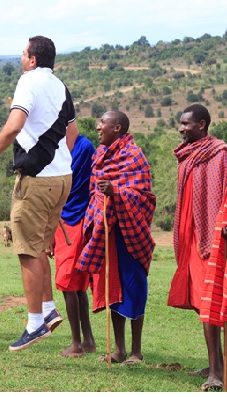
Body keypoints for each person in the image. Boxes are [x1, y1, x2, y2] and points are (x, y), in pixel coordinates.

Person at [0, 35, 79, 351]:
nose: (21, 59)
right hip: (63, 177)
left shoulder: (28, 82)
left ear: (33, 59)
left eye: (23, 54)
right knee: (40, 246)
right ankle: (47, 309)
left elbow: (13, 126)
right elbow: (72, 133)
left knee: (27, 250)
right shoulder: (60, 86)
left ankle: (34, 323)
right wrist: (57, 160)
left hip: (36, 181)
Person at [76, 110, 155, 365]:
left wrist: (116, 191)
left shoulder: (134, 156)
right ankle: (119, 350)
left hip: (130, 233)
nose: (98, 127)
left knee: (134, 288)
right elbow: (93, 192)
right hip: (106, 231)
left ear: (117, 127)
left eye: (103, 123)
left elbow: (143, 195)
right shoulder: (99, 156)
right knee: (113, 289)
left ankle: (136, 352)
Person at [167, 104, 227, 391]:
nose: (181, 128)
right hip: (190, 238)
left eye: (186, 124)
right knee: (202, 303)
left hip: (214, 238)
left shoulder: (220, 153)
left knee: (212, 303)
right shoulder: (187, 156)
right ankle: (217, 363)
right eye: (181, 123)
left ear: (201, 124)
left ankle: (217, 373)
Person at [47, 134, 96, 357]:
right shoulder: (54, 143)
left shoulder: (83, 146)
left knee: (68, 282)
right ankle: (88, 340)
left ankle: (76, 343)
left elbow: (62, 184)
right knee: (75, 284)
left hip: (76, 219)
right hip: (61, 219)